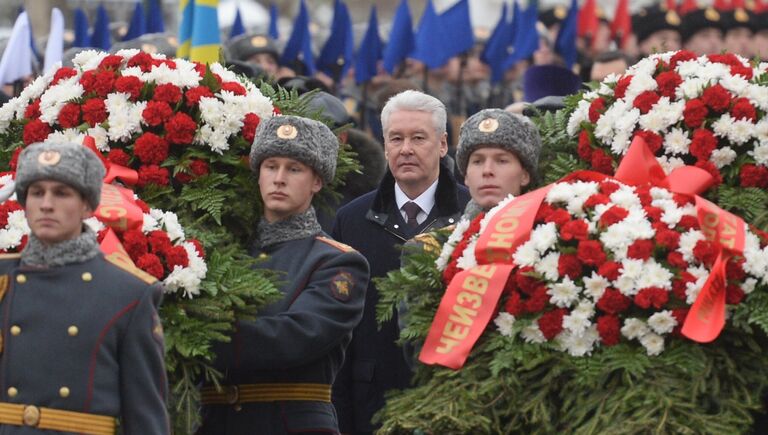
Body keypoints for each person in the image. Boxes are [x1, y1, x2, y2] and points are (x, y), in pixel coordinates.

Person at [197, 115, 369, 434]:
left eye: (294, 169)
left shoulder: (338, 262)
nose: (279, 178)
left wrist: (197, 335)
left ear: (316, 181)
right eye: (270, 166)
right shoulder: (223, 252)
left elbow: (295, 338)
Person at [0, 141, 169, 434]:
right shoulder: (5, 278)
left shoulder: (128, 293)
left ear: (88, 205)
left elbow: (145, 417)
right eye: (37, 193)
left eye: (62, 193)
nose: (47, 204)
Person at [331, 90, 470, 434]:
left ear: (442, 144)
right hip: (372, 404)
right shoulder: (351, 220)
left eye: (418, 138)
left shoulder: (473, 214)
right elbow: (340, 330)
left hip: (452, 401)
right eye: (396, 138)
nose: (405, 149)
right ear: (385, 144)